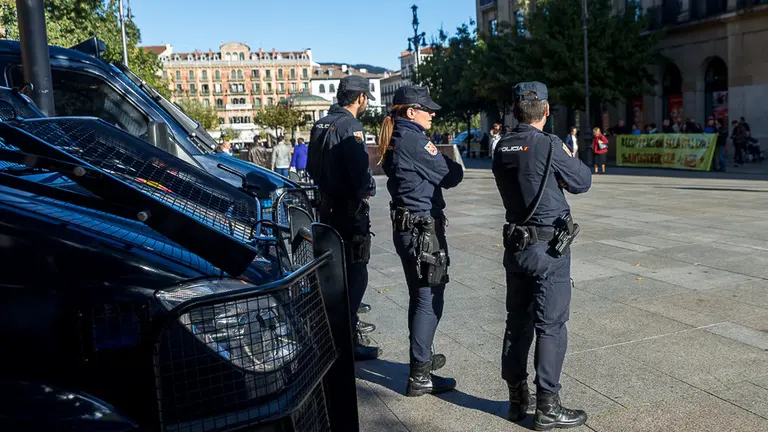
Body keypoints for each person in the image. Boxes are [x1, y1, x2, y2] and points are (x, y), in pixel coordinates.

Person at [492, 82, 591, 431]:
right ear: (546, 111)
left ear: (515, 111)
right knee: (550, 325)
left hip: (516, 247)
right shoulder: (549, 144)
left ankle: (517, 400)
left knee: (516, 322)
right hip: (548, 249)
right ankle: (547, 405)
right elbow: (582, 181)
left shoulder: (501, 145)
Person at [378, 85, 464, 397]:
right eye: (426, 108)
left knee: (420, 295)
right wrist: (447, 162)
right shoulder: (413, 139)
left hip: (408, 227)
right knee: (429, 297)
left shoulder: (395, 136)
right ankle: (420, 374)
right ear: (411, 111)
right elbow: (451, 175)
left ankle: (422, 359)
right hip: (422, 231)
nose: (432, 113)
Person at [307, 75, 380, 361]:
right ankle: (347, 340)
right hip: (348, 211)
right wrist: (367, 190)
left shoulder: (321, 123)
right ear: (360, 98)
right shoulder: (351, 127)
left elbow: (312, 166)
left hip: (326, 208)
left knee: (333, 273)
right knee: (356, 271)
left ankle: (333, 334)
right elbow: (359, 170)